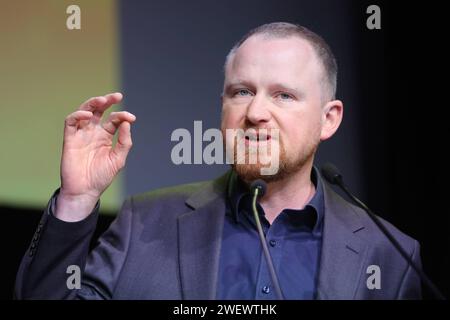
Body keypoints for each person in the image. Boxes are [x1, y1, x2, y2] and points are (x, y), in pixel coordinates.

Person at [15, 22, 422, 299]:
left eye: (283, 95)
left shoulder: (388, 255)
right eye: (242, 92)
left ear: (328, 119)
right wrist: (76, 199)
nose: (256, 112)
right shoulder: (145, 223)